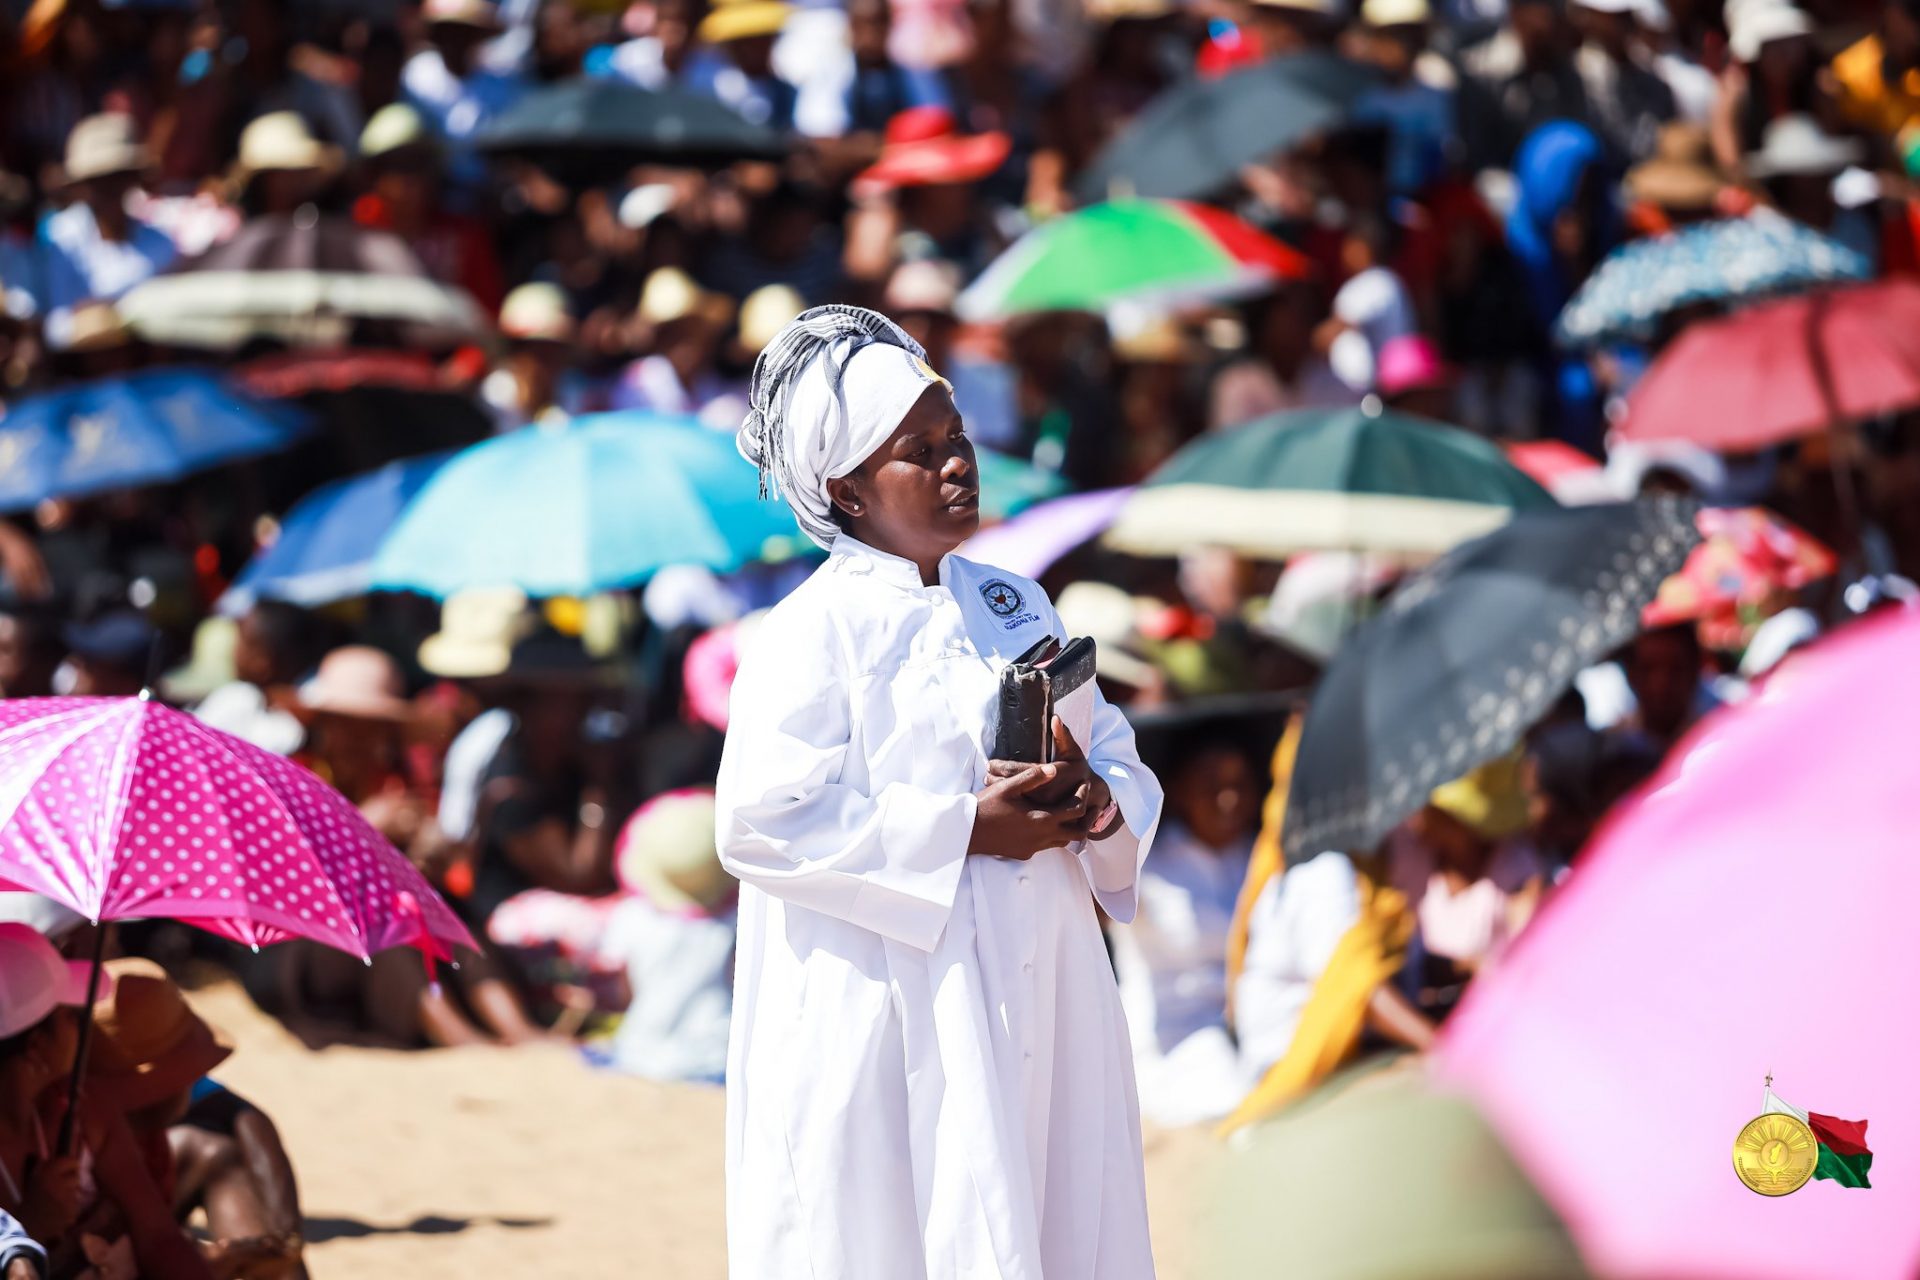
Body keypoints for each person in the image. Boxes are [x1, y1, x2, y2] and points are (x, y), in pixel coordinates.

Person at [718, 306, 1164, 1277]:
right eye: (919, 451)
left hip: (1039, 971)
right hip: (890, 993)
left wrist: (1092, 798)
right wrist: (965, 829)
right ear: (848, 488)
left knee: (1047, 1202)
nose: (956, 461)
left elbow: (1112, 742)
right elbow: (759, 820)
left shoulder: (1012, 600)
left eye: (955, 436)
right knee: (904, 1217)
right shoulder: (810, 631)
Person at [86, 960, 306, 1280]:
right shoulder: (90, 1141)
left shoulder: (138, 1132)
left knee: (215, 1152)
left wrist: (283, 1246)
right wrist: (205, 1260)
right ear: (160, 1083)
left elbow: (250, 1119)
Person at [1110, 734, 1260, 1126]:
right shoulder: (1142, 865)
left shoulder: (1260, 856)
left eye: (1239, 784)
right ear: (1177, 790)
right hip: (1178, 1046)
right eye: (1211, 786)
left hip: (1255, 1026)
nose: (1228, 798)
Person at [34, 114, 177, 348]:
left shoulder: (161, 242)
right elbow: (55, 327)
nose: (109, 189)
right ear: (82, 185)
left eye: (118, 177)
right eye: (99, 180)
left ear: (132, 179)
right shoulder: (61, 239)